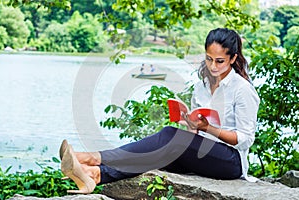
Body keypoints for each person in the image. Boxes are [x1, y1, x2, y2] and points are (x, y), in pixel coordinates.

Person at [60, 28, 260, 194]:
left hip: (231, 163)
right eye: (209, 59)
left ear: (233, 58)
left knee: (169, 135)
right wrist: (192, 126)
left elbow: (245, 139)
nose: (213, 66)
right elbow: (193, 139)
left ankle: (94, 157)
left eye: (219, 61)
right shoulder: (202, 87)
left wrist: (209, 129)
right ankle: (96, 175)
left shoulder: (242, 90)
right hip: (202, 155)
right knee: (157, 153)